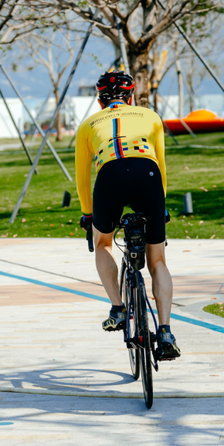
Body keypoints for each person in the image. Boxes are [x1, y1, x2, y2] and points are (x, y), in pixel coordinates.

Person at [75, 70, 181, 361]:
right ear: (131, 97)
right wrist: (161, 205)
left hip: (109, 176)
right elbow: (161, 165)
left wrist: (87, 214)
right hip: (147, 175)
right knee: (157, 261)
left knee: (103, 243)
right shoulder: (151, 116)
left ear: (100, 100)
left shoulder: (87, 125)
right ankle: (165, 332)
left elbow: (82, 178)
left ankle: (117, 308)